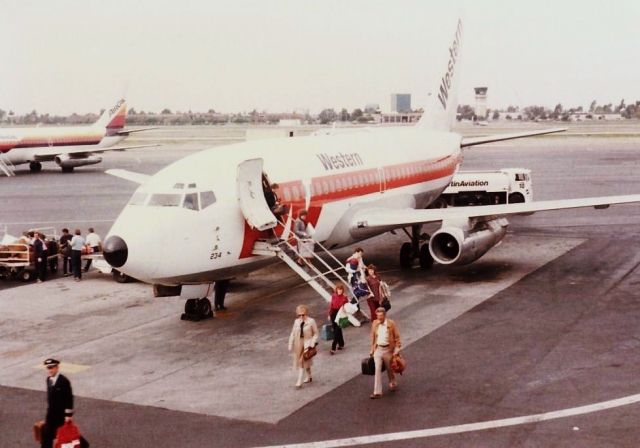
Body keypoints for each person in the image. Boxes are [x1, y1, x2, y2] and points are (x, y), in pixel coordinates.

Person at [369, 307, 401, 399]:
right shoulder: (375, 323)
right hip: (378, 349)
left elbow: (397, 338)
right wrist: (372, 349)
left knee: (389, 368)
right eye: (378, 316)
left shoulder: (391, 324)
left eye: (381, 317)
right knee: (377, 369)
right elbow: (373, 337)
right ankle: (377, 392)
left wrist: (397, 349)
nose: (379, 319)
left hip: (388, 349)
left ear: (385, 316)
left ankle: (392, 381)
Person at [41, 358, 73, 448]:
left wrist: (68, 415)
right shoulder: (48, 379)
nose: (50, 370)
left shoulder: (64, 381)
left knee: (66, 433)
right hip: (51, 414)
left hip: (61, 415)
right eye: (48, 368)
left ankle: (83, 444)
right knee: (47, 435)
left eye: (51, 368)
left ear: (57, 367)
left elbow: (69, 398)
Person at [287, 304, 318, 388]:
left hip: (307, 344)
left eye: (303, 314)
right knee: (306, 361)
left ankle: (299, 381)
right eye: (299, 315)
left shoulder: (311, 321)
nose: (301, 316)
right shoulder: (296, 322)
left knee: (302, 361)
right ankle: (309, 376)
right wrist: (290, 344)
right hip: (298, 344)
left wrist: (313, 342)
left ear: (306, 313)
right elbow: (293, 333)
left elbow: (316, 333)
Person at [328, 285, 349, 354]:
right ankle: (341, 344)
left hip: (340, 313)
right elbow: (331, 305)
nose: (339, 291)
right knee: (336, 330)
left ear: (343, 290)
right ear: (336, 290)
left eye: (341, 289)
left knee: (337, 330)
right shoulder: (334, 296)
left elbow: (347, 307)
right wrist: (329, 314)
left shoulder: (345, 298)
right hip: (333, 313)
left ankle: (333, 347)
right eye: (338, 289)